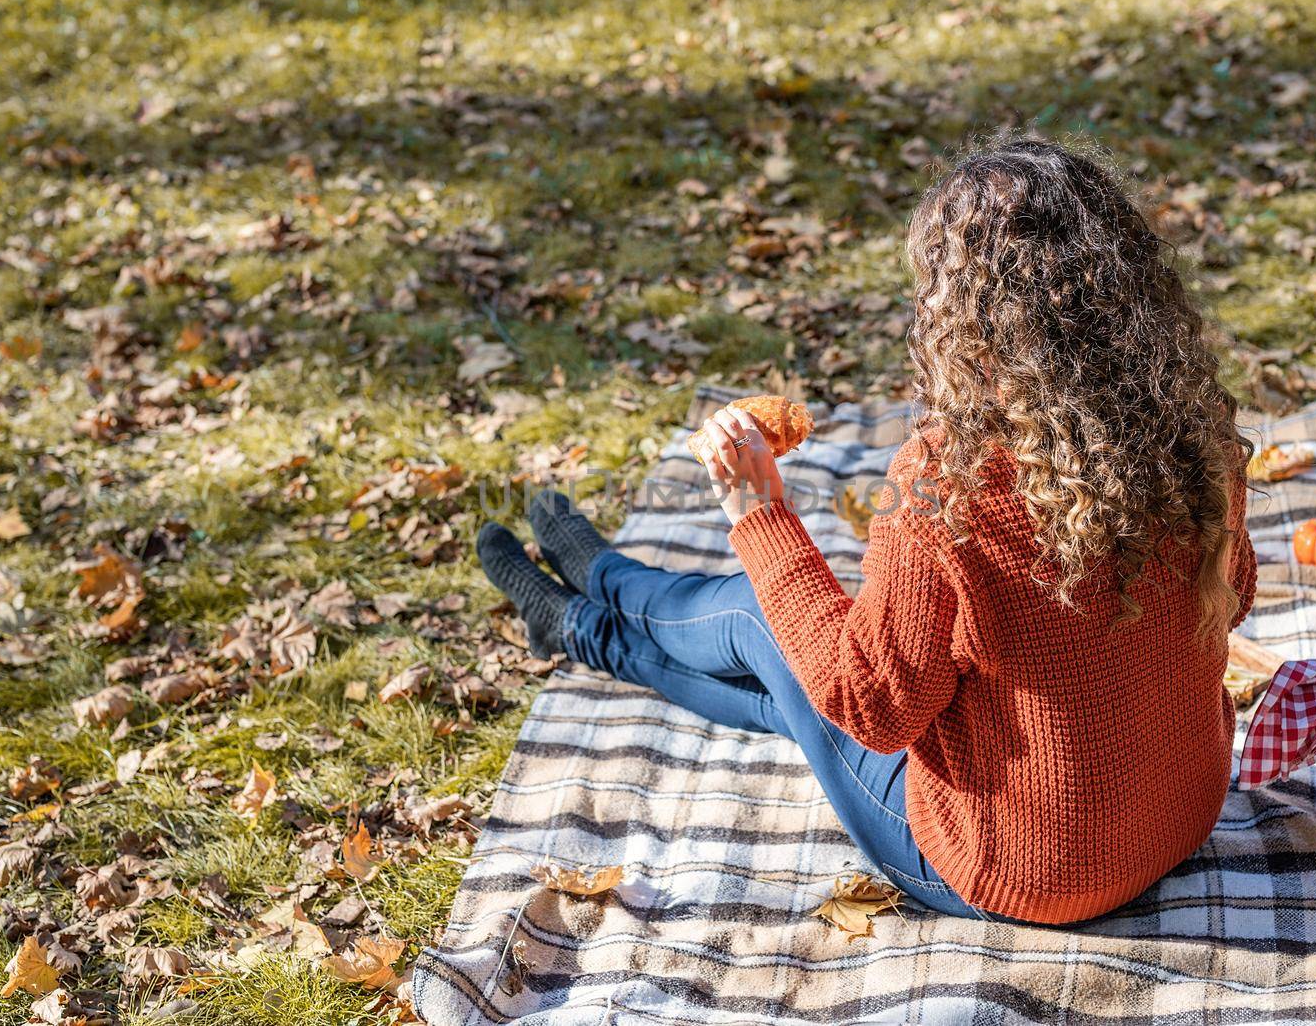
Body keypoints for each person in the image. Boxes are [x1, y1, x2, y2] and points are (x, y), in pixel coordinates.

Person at [476, 135, 1257, 925]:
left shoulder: (948, 484)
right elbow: (1236, 595)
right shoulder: (1197, 438)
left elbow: (869, 708)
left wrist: (759, 515)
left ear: (961, 317)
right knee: (792, 699)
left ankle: (601, 585)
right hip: (1176, 819)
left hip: (1012, 874)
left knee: (761, 616)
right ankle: (582, 623)